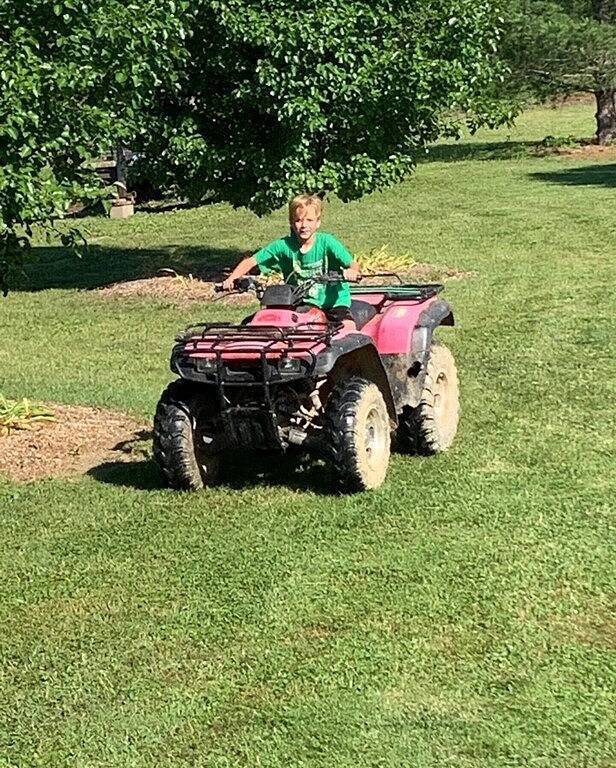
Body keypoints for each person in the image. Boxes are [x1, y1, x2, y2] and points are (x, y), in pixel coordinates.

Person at [222, 194, 361, 322]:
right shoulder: (283, 246)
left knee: (346, 330)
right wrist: (231, 279)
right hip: (301, 303)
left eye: (309, 220)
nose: (304, 225)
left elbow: (352, 264)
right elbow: (251, 261)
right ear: (291, 222)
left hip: (333, 304)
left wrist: (352, 272)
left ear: (318, 222)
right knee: (256, 322)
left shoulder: (327, 242)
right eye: (298, 220)